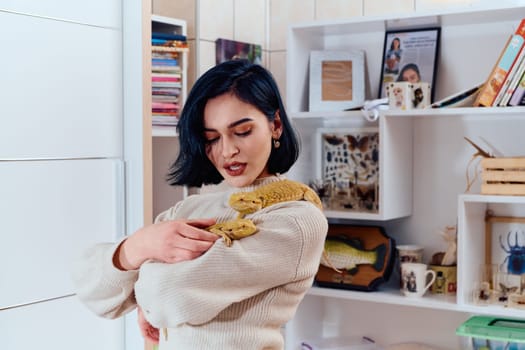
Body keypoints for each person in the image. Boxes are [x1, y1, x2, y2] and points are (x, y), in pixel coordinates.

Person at [72, 59, 328, 350]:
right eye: (211, 138)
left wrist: (143, 284)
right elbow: (93, 291)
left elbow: (169, 295)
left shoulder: (296, 220)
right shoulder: (189, 209)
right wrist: (140, 246)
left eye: (242, 132)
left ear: (276, 125)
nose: (227, 151)